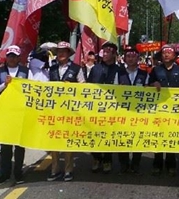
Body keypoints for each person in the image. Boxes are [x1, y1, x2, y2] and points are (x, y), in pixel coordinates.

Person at [0, 45, 30, 186]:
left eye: (15, 56)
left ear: (19, 58)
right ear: (7, 57)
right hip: (4, 112)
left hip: (20, 111)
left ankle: (18, 173)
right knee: (5, 145)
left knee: (19, 144)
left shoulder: (26, 71)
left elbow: (31, 89)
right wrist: (4, 85)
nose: (12, 58)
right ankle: (5, 173)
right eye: (10, 56)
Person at [149, 44, 179, 176]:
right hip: (159, 109)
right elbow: (147, 86)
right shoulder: (155, 70)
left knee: (171, 137)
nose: (166, 54)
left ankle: (171, 164)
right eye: (164, 52)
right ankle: (157, 163)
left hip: (175, 110)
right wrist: (153, 84)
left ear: (174, 56)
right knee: (158, 136)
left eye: (169, 52)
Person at [46, 41, 83, 182]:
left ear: (69, 54)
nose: (61, 54)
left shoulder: (77, 68)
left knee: (68, 139)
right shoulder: (52, 69)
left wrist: (72, 88)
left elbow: (83, 88)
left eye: (64, 51)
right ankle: (54, 169)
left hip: (70, 110)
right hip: (55, 110)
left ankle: (68, 169)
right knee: (54, 139)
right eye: (59, 51)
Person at [87, 42, 124, 174]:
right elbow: (87, 86)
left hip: (112, 109)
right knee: (94, 133)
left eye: (108, 52)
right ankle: (96, 158)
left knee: (108, 134)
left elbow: (125, 87)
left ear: (114, 54)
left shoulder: (120, 70)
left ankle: (107, 160)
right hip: (96, 108)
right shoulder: (95, 69)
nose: (105, 54)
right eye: (103, 51)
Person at [116, 46, 149, 174]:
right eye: (128, 56)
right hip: (122, 112)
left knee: (137, 139)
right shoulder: (119, 73)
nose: (130, 59)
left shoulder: (144, 74)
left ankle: (136, 163)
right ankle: (123, 164)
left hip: (138, 113)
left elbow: (148, 92)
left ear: (138, 59)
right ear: (124, 58)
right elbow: (113, 91)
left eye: (133, 56)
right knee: (122, 138)